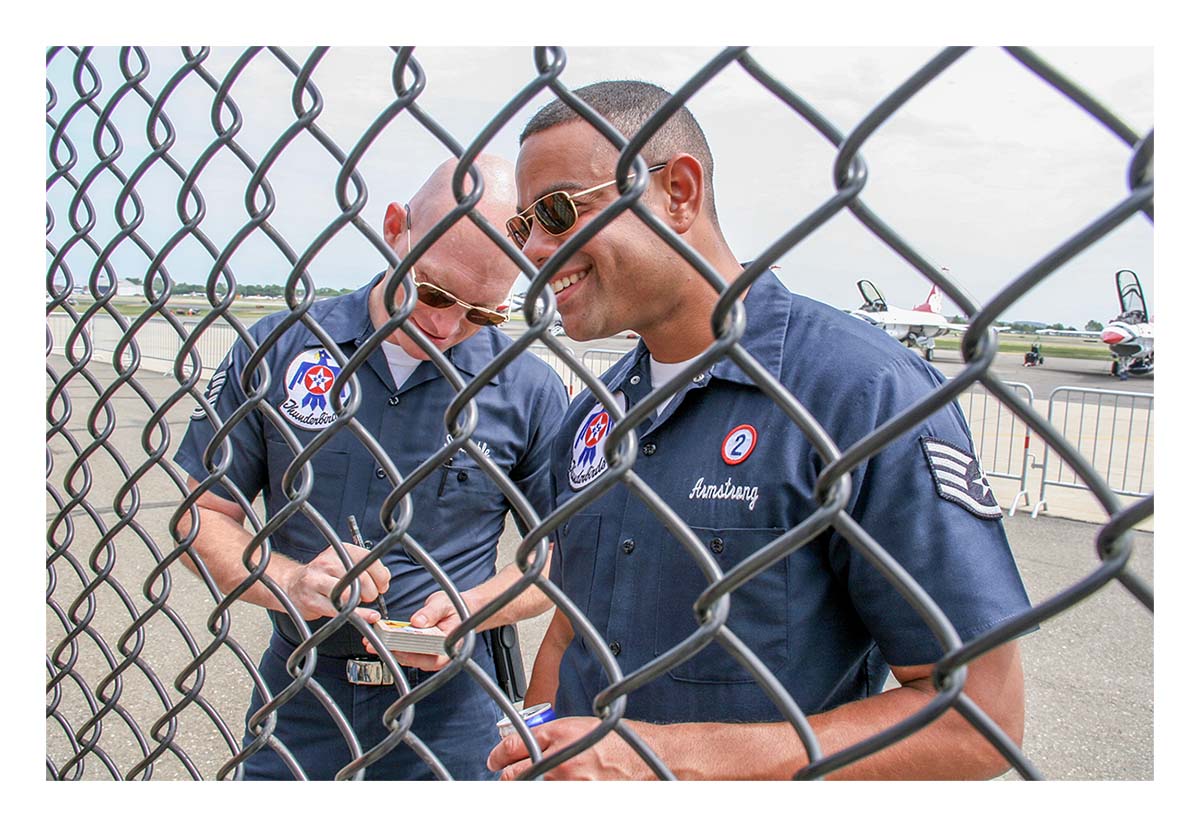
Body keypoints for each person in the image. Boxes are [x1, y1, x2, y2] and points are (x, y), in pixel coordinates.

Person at [488, 82, 1033, 780]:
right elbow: (568, 631)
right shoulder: (591, 417)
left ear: (678, 192)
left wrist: (666, 763)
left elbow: (981, 719)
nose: (534, 248)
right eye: (522, 225)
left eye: (559, 211)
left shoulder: (859, 393)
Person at [173, 156, 568, 780]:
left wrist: (475, 606)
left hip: (454, 707)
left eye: (482, 313)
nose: (445, 325)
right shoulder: (278, 350)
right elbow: (202, 517)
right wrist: (293, 582)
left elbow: (563, 553)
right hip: (302, 691)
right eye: (433, 292)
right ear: (394, 228)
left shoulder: (529, 388)